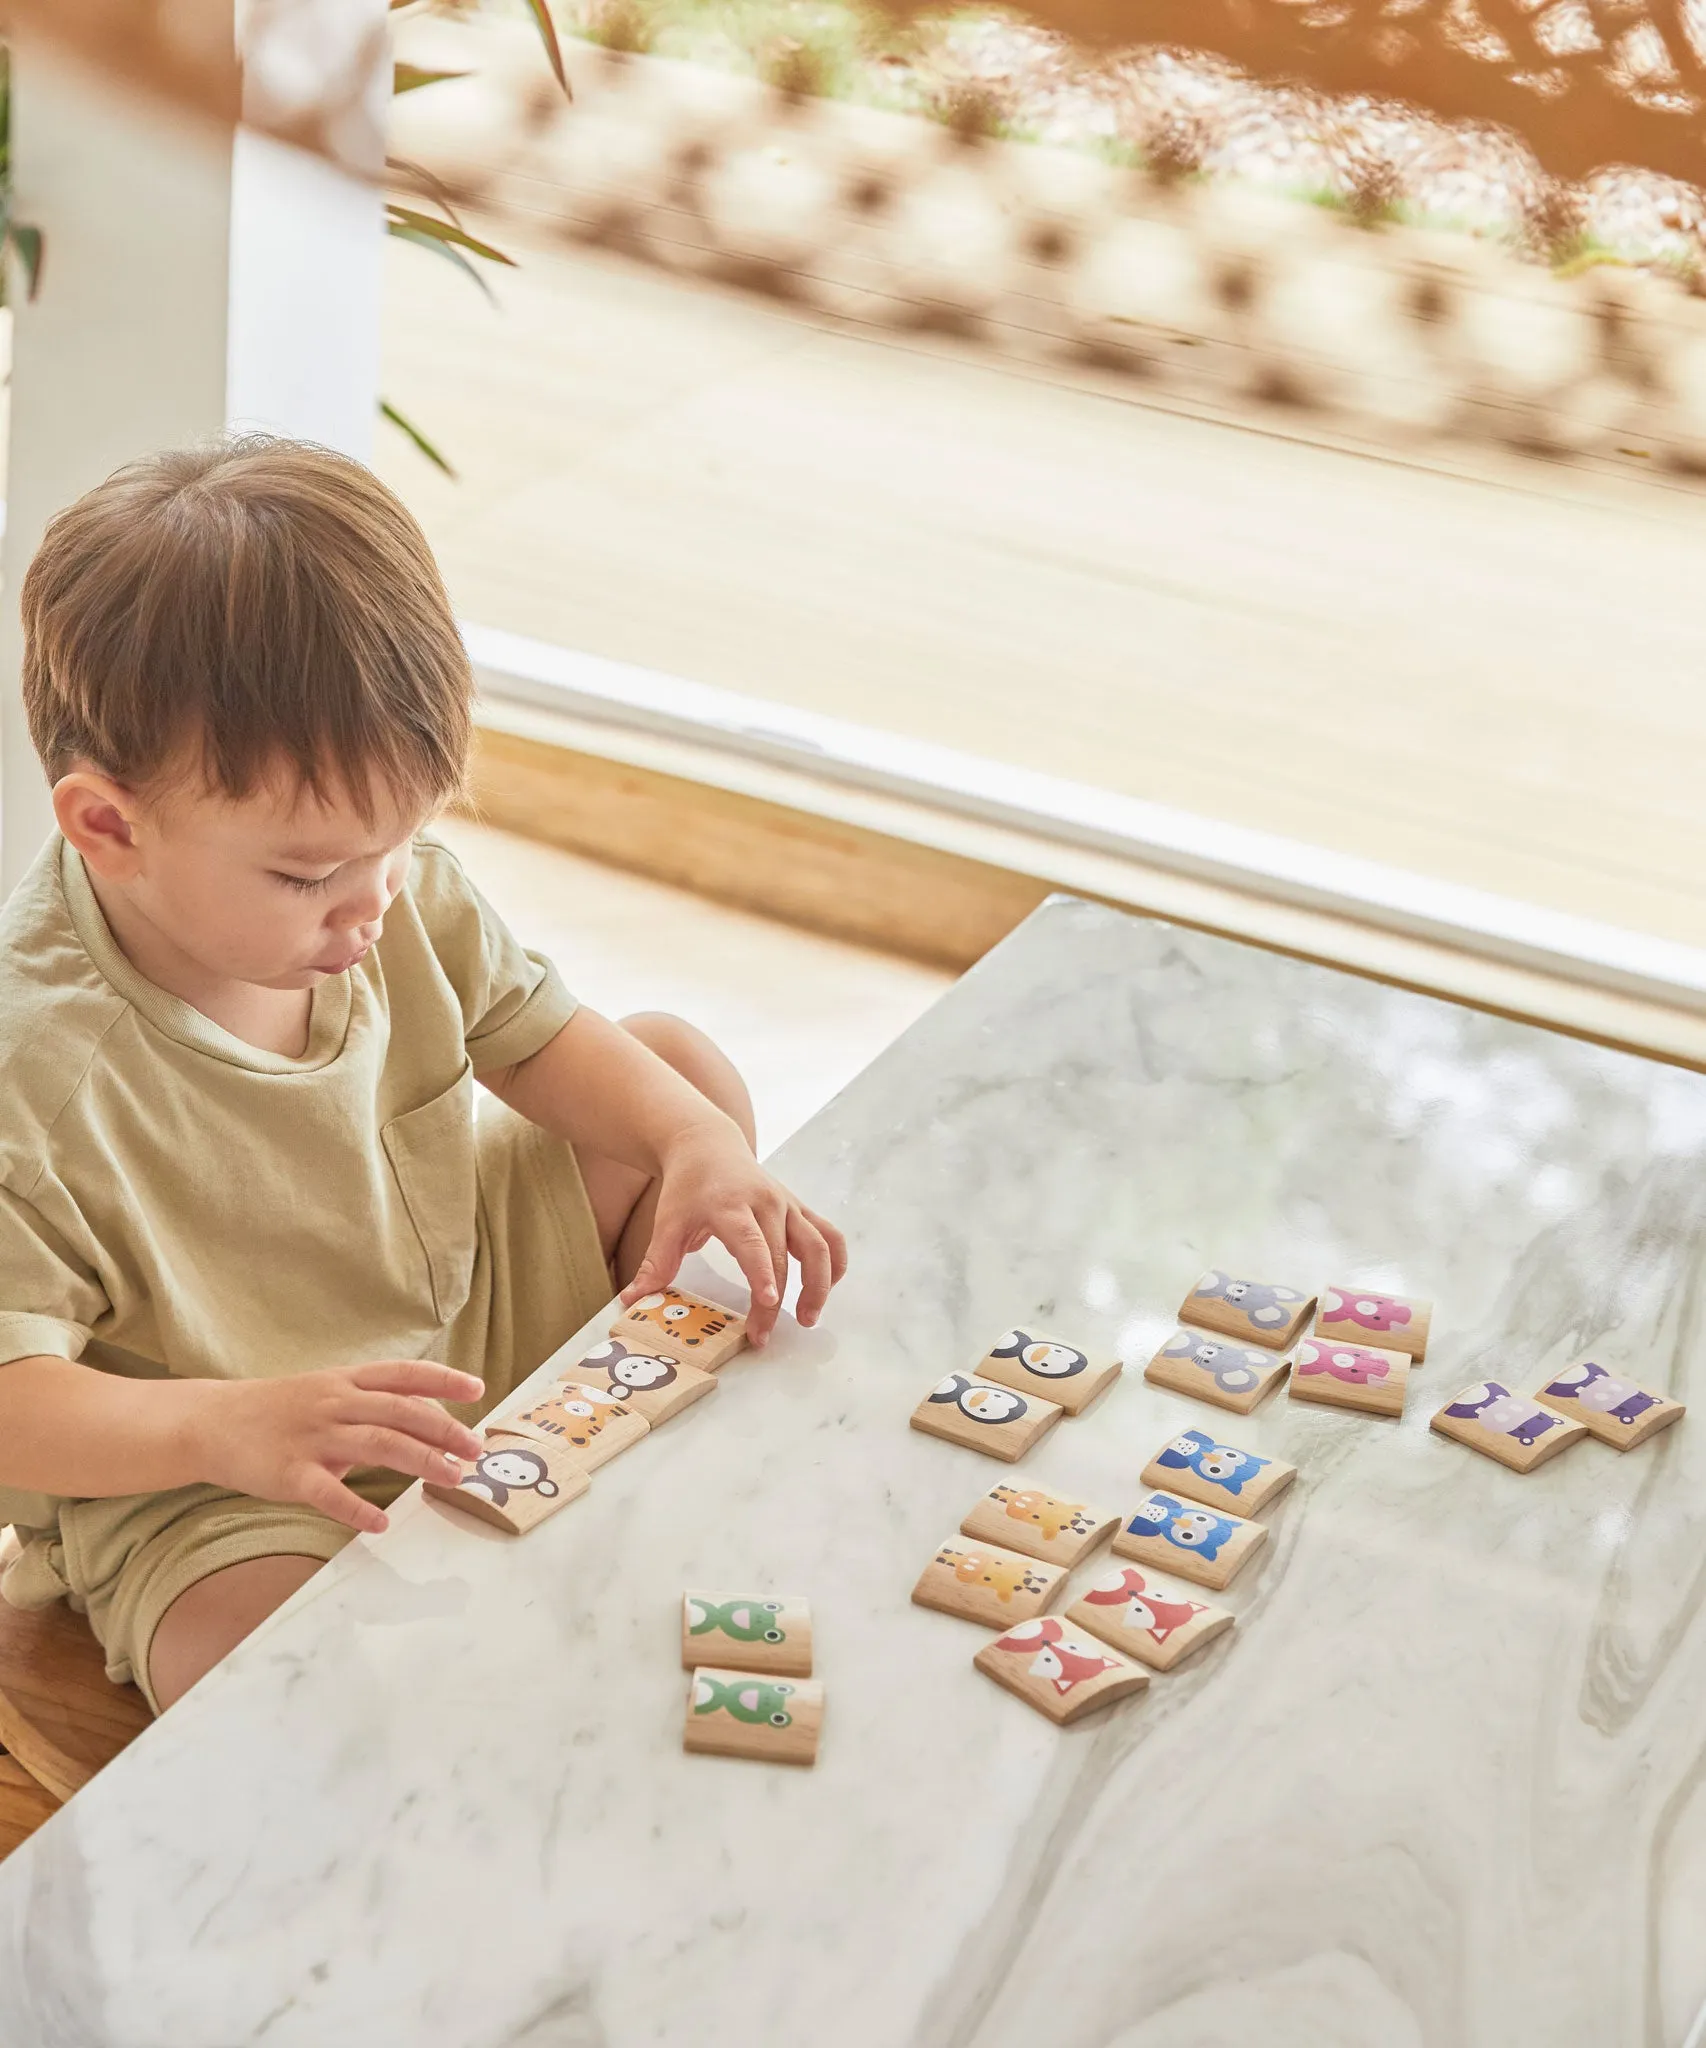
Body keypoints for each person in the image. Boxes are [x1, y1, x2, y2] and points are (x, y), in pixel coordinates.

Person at [0, 436, 846, 1714]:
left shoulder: (388, 889)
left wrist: (693, 1142)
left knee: (673, 1067)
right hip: (216, 1460)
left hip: (462, 1311)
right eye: (308, 874)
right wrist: (220, 1428)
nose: (371, 905)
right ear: (108, 827)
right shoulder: (34, 1074)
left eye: (403, 842)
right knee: (252, 1662)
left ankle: (566, 1451)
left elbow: (538, 1035)